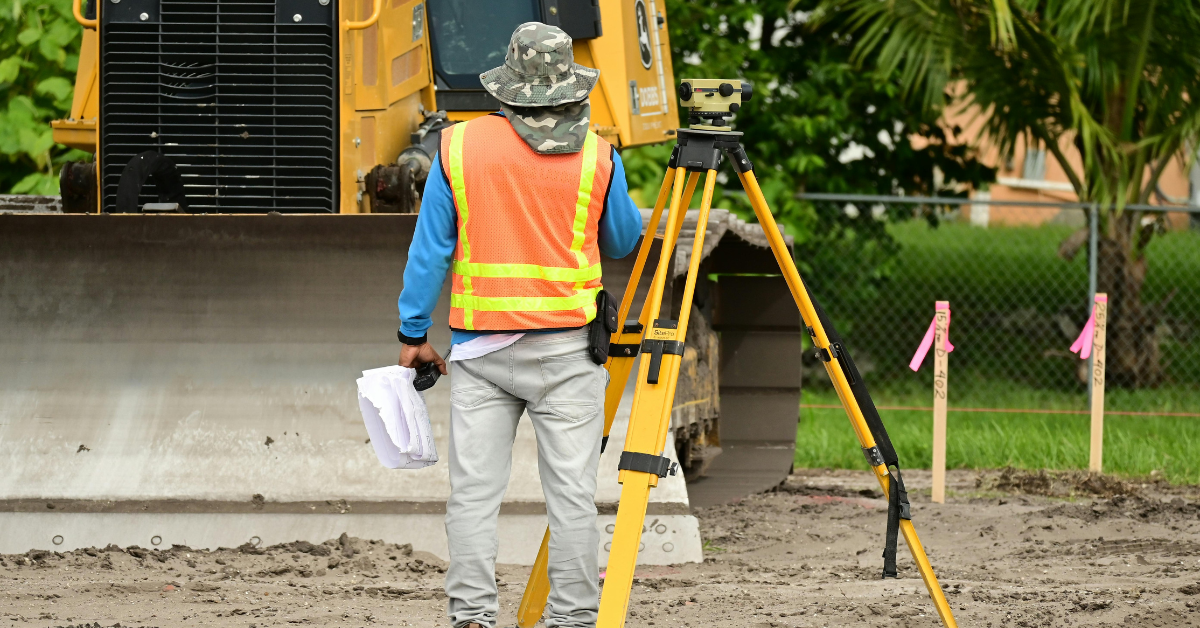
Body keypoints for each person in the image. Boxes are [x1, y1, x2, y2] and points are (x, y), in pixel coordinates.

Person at [396, 22, 643, 628]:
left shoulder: (455, 149)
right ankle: (573, 618)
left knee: (474, 498)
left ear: (507, 87)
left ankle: (472, 617)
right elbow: (623, 240)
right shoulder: (598, 155)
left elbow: (429, 253)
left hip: (480, 354)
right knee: (572, 499)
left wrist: (412, 334)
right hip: (568, 355)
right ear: (570, 89)